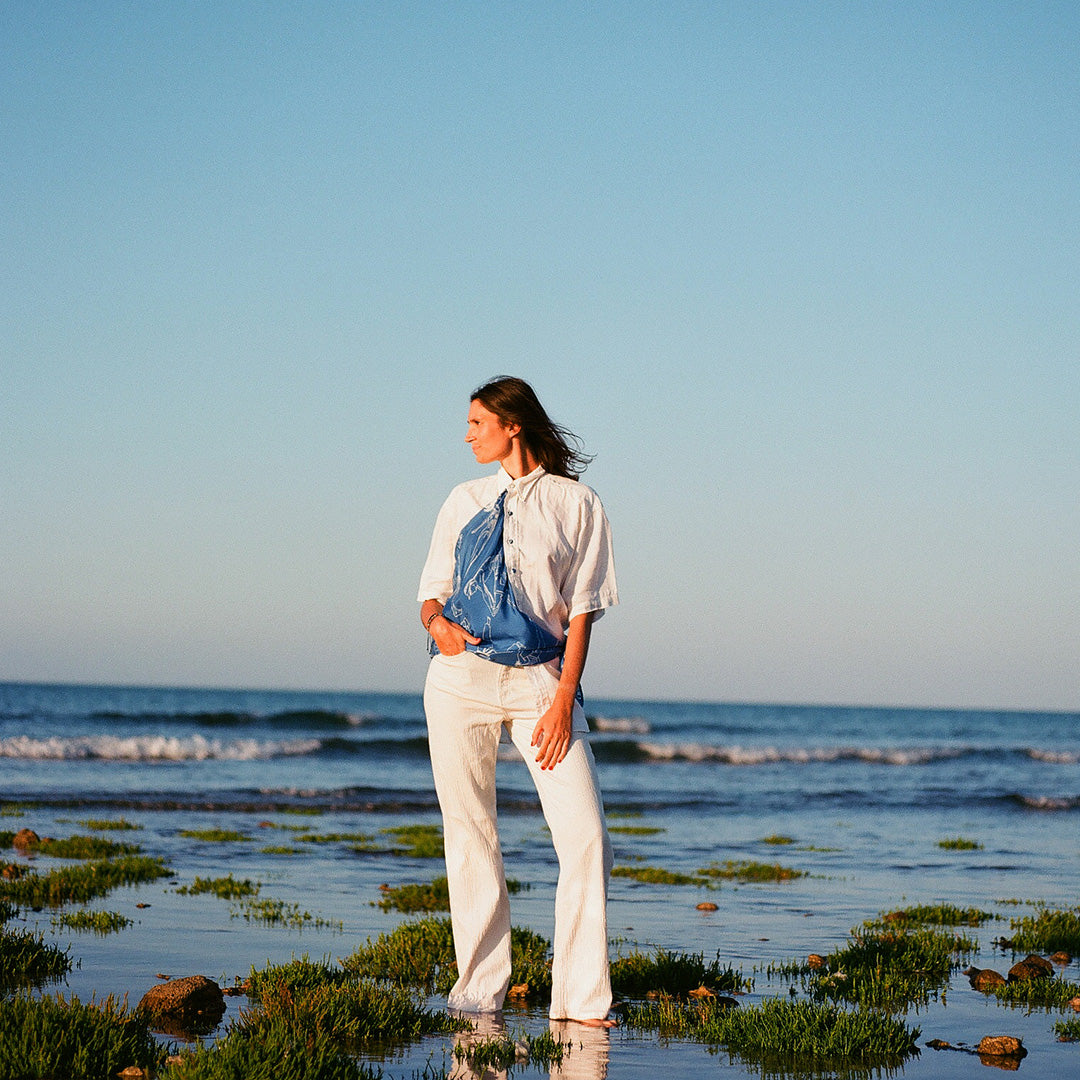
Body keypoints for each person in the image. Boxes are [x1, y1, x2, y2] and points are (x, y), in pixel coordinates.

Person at [418, 376, 618, 1027]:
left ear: (512, 424)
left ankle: (582, 1004)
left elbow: (584, 612)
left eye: (477, 422)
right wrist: (438, 625)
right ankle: (479, 990)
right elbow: (430, 593)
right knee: (471, 831)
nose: (467, 434)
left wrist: (564, 700)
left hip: (542, 684)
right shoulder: (462, 498)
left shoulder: (577, 503)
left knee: (586, 836)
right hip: (460, 680)